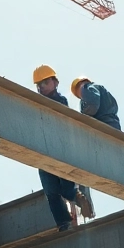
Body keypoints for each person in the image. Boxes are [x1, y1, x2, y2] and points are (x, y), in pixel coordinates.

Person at [32, 65, 94, 229]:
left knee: (65, 190)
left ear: (55, 82)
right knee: (52, 193)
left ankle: (77, 200)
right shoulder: (35, 104)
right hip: (44, 154)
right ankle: (63, 223)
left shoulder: (60, 101)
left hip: (60, 151)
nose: (41, 87)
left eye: (45, 82)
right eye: (38, 84)